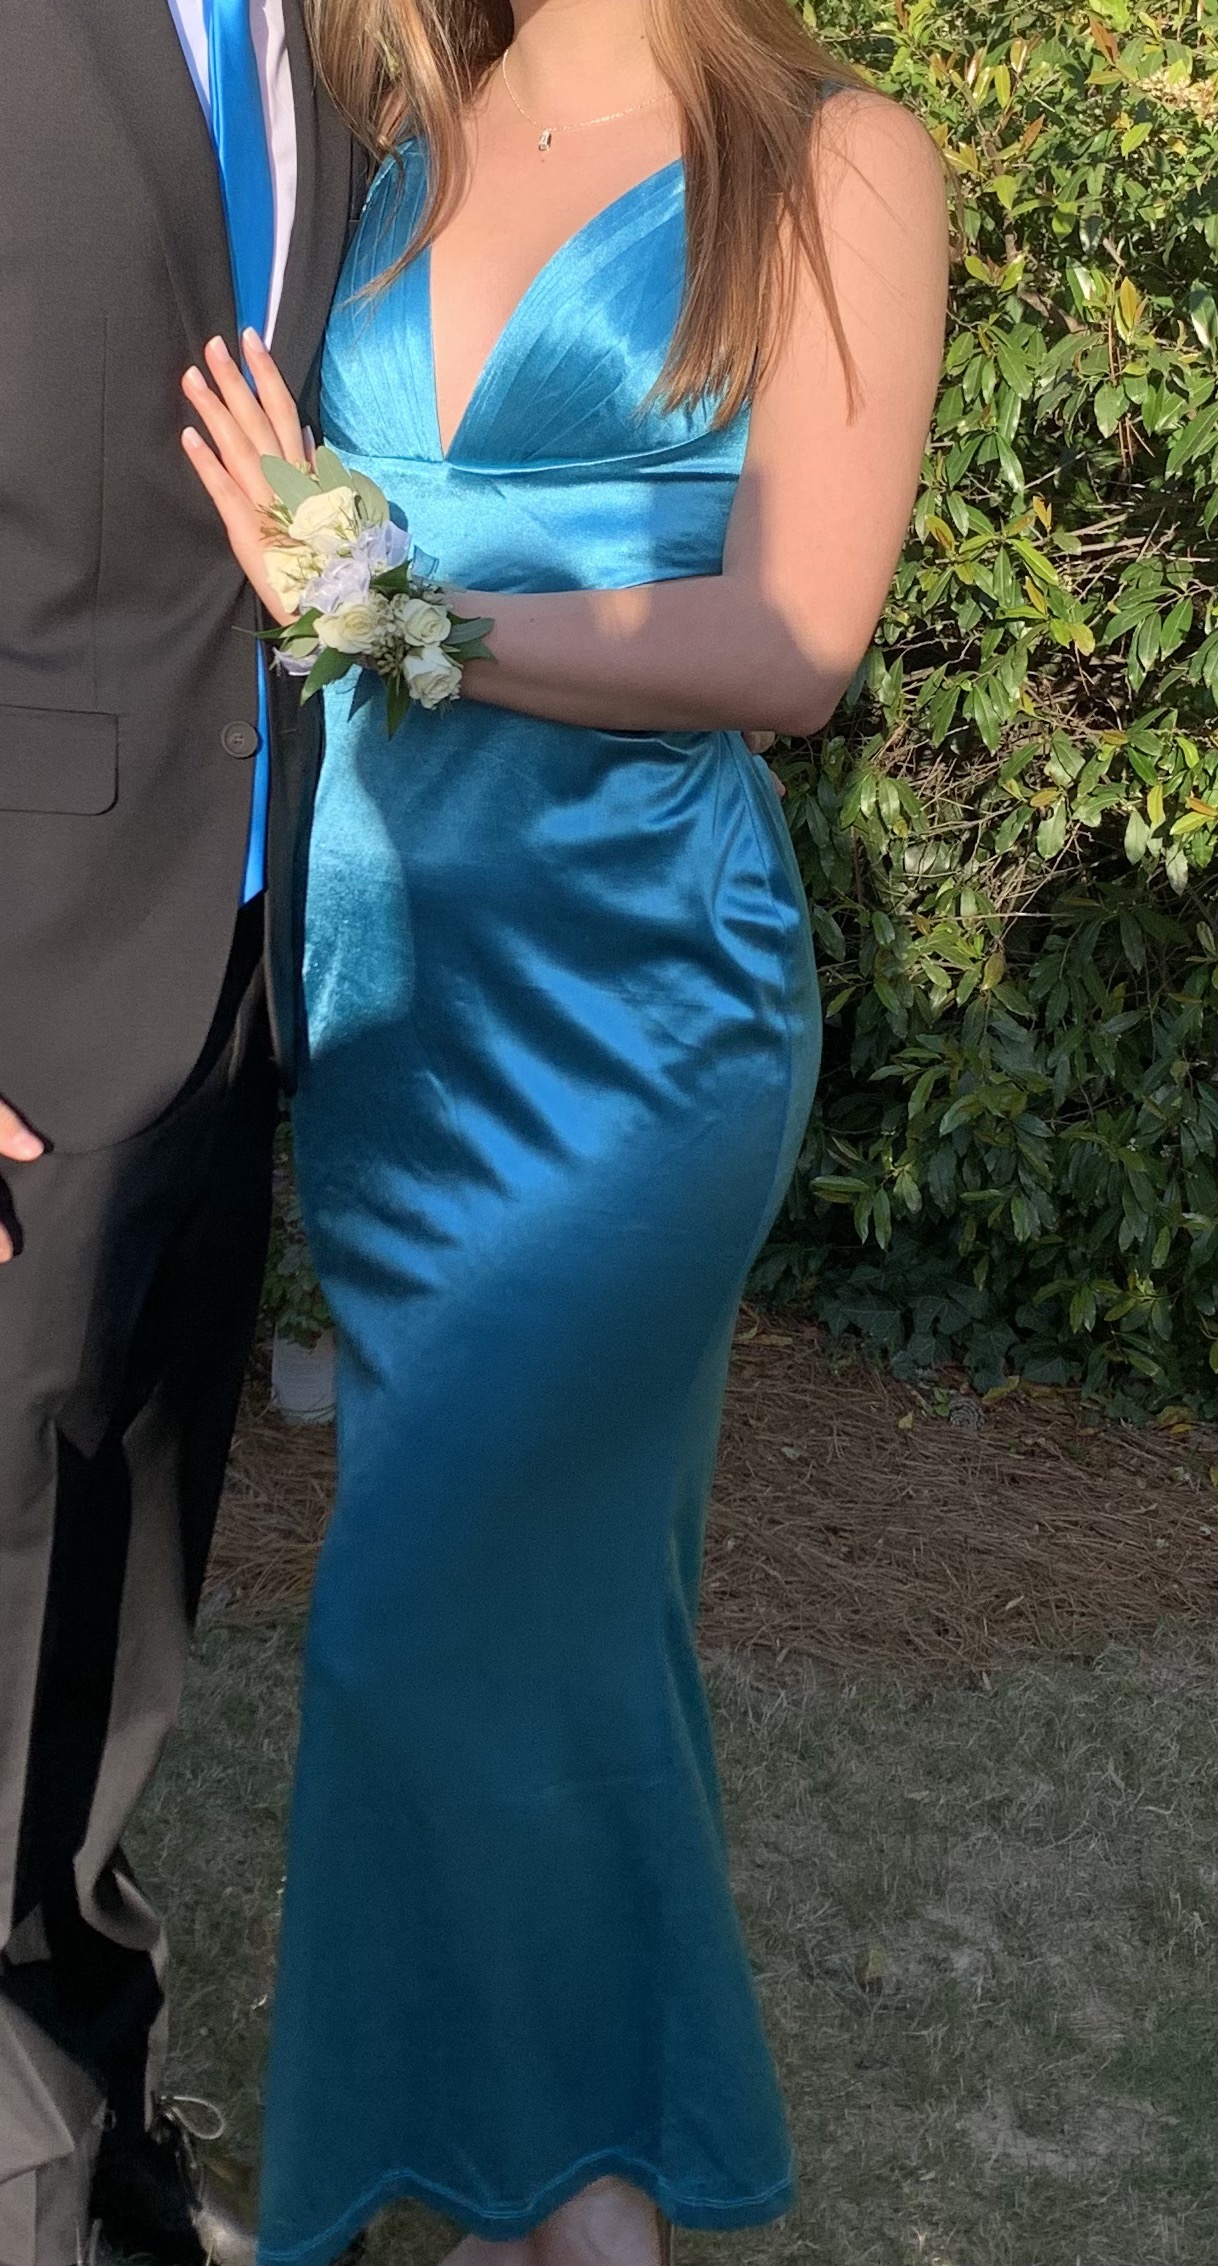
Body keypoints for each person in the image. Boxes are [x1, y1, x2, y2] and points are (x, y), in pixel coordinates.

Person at [185, 0, 948, 2258]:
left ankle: (571, 2203)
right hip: (390, 1005)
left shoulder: (835, 158)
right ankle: (567, 2190)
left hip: (637, 1021)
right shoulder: (384, 129)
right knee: (565, 1629)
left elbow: (792, 643)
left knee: (407, 1620)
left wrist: (395, 608)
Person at [0, 9, 357, 2263]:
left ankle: (99, 2138)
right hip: (22, 980)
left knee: (124, 1624)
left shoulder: (346, 34)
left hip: (237, 966)